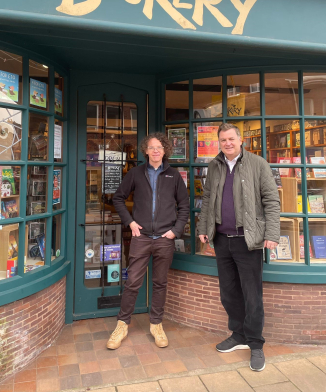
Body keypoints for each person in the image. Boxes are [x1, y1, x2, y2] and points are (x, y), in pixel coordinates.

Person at [197, 123, 280, 372]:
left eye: (231, 139)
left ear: (240, 140)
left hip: (248, 240)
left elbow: (271, 200)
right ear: (219, 142)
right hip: (222, 239)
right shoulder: (214, 165)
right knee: (229, 292)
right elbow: (207, 199)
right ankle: (239, 334)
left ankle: (255, 343)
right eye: (223, 140)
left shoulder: (258, 164)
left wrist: (272, 233)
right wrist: (203, 228)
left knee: (252, 294)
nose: (227, 143)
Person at [106, 132, 189, 350]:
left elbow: (184, 206)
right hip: (141, 237)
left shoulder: (173, 175)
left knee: (160, 283)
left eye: (159, 148)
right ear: (146, 150)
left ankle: (156, 324)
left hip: (164, 238)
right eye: (152, 147)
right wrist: (131, 223)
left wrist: (175, 231)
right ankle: (122, 324)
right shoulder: (135, 173)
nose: (155, 151)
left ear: (165, 151)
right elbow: (118, 198)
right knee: (133, 282)